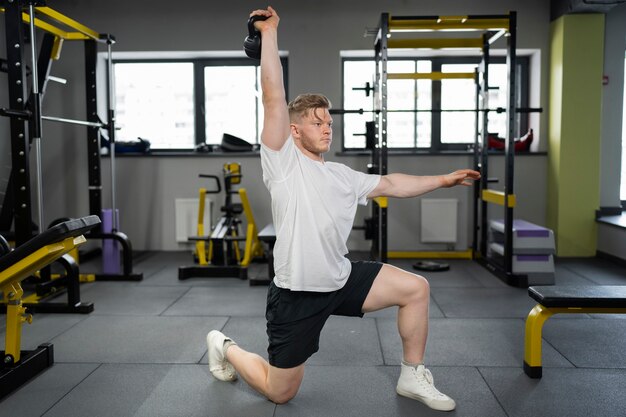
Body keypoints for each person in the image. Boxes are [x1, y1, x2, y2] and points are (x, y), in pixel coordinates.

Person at [207, 6, 480, 411]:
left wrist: (443, 180)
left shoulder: (341, 175)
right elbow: (273, 95)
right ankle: (223, 345)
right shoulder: (284, 164)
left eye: (329, 123)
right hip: (296, 294)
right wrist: (269, 35)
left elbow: (391, 184)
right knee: (280, 393)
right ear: (295, 129)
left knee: (415, 288)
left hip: (341, 278)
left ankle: (412, 375)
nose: (327, 128)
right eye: (317, 123)